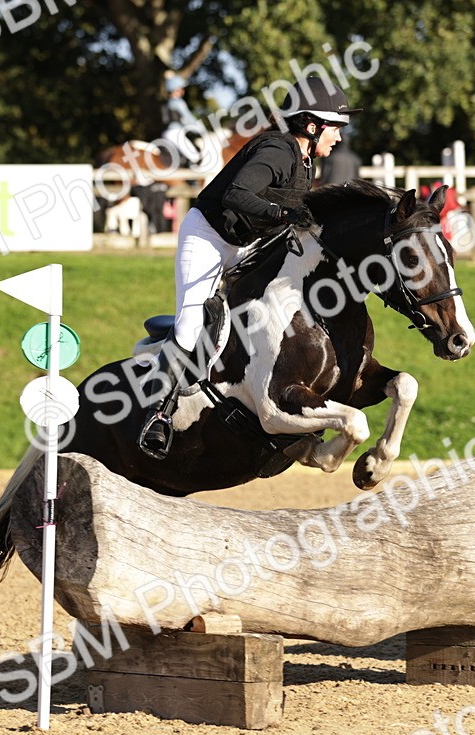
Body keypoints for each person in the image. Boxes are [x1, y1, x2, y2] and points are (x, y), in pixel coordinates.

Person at [137, 75, 360, 459]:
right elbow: (236, 193)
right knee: (191, 325)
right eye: (335, 128)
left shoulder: (307, 163)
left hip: (247, 243)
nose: (338, 138)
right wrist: (282, 211)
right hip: (208, 237)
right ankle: (158, 413)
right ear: (312, 125)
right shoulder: (277, 150)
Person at [160, 73, 202, 167]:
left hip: (167, 133)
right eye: (180, 88)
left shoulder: (167, 103)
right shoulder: (178, 103)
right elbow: (188, 119)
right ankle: (191, 179)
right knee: (195, 156)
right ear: (175, 89)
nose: (182, 91)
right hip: (175, 133)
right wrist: (201, 130)